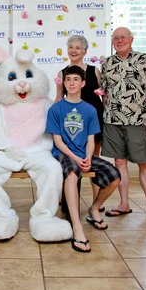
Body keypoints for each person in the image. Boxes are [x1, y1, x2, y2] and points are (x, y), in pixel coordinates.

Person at [46, 66, 120, 252]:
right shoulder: (55, 108)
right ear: (64, 83)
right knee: (72, 174)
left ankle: (94, 208)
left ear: (83, 83)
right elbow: (58, 141)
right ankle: (76, 226)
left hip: (83, 154)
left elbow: (90, 140)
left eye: (75, 79)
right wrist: (76, 159)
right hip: (64, 154)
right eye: (68, 79)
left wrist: (87, 157)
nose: (71, 82)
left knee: (115, 175)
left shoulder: (89, 110)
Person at [101, 27, 146, 221]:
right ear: (112, 41)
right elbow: (105, 93)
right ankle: (124, 203)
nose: (120, 40)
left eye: (123, 37)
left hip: (138, 120)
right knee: (119, 163)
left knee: (145, 163)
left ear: (131, 39)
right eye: (116, 38)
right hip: (112, 121)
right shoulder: (107, 63)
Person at [55, 34, 104, 210]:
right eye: (71, 47)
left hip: (93, 119)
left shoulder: (94, 70)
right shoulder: (62, 73)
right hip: (71, 124)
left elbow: (101, 95)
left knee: (93, 159)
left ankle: (96, 200)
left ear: (84, 51)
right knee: (69, 159)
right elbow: (59, 99)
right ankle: (67, 196)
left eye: (78, 48)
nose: (74, 51)